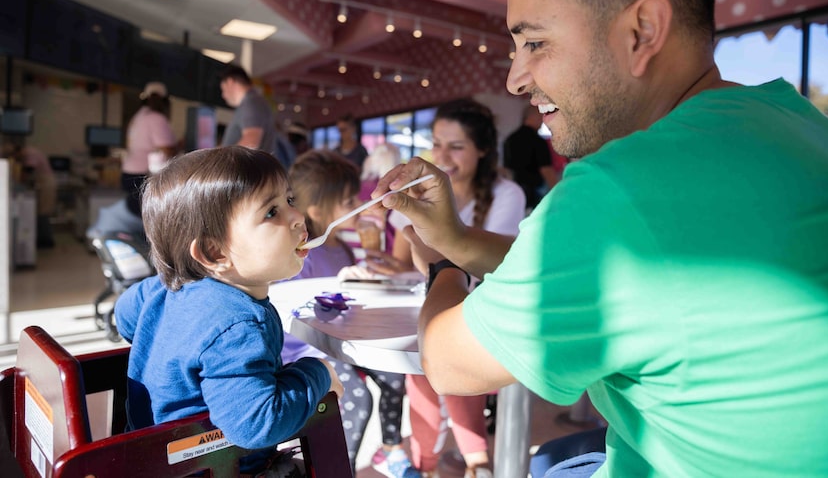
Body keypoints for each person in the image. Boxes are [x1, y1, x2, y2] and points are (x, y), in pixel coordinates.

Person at [371, 0, 828, 477]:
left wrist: (441, 264)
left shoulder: (620, 188)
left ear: (642, 31)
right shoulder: (794, 120)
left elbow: (446, 364)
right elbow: (626, 274)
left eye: (535, 43)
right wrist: (461, 239)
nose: (517, 79)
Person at [114, 146, 343, 476]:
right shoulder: (239, 324)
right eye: (271, 213)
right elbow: (258, 425)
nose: (297, 217)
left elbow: (125, 316)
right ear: (214, 251)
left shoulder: (165, 288)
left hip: (150, 456)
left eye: (289, 201)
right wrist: (319, 372)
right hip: (215, 467)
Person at [385, 99, 526, 478]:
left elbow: (485, 268)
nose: (442, 155)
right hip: (435, 300)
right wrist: (384, 260)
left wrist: (431, 250)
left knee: (438, 357)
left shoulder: (506, 194)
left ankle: (469, 461)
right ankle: (436, 464)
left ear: (482, 150)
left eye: (456, 146)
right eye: (437, 144)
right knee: (420, 363)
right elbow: (406, 257)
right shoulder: (419, 191)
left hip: (482, 312)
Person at [285, 149, 414, 478]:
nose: (355, 207)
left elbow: (345, 304)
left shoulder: (341, 248)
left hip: (342, 344)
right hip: (307, 351)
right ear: (316, 210)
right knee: (357, 400)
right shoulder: (301, 256)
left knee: (395, 374)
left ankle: (391, 451)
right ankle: (341, 471)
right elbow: (293, 310)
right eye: (346, 202)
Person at [219, 64, 295, 168]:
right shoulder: (252, 102)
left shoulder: (251, 102)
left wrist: (219, 160)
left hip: (251, 175)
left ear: (230, 82)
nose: (223, 95)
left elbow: (251, 141)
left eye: (223, 89)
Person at [121, 81, 177, 217]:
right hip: (143, 177)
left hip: (128, 174)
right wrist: (181, 144)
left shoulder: (137, 117)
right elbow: (167, 149)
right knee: (150, 222)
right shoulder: (156, 118)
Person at [503, 104, 559, 210]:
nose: (543, 121)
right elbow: (546, 170)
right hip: (533, 195)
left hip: (512, 193)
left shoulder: (510, 139)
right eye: (541, 116)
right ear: (535, 117)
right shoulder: (537, 141)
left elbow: (506, 170)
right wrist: (559, 194)